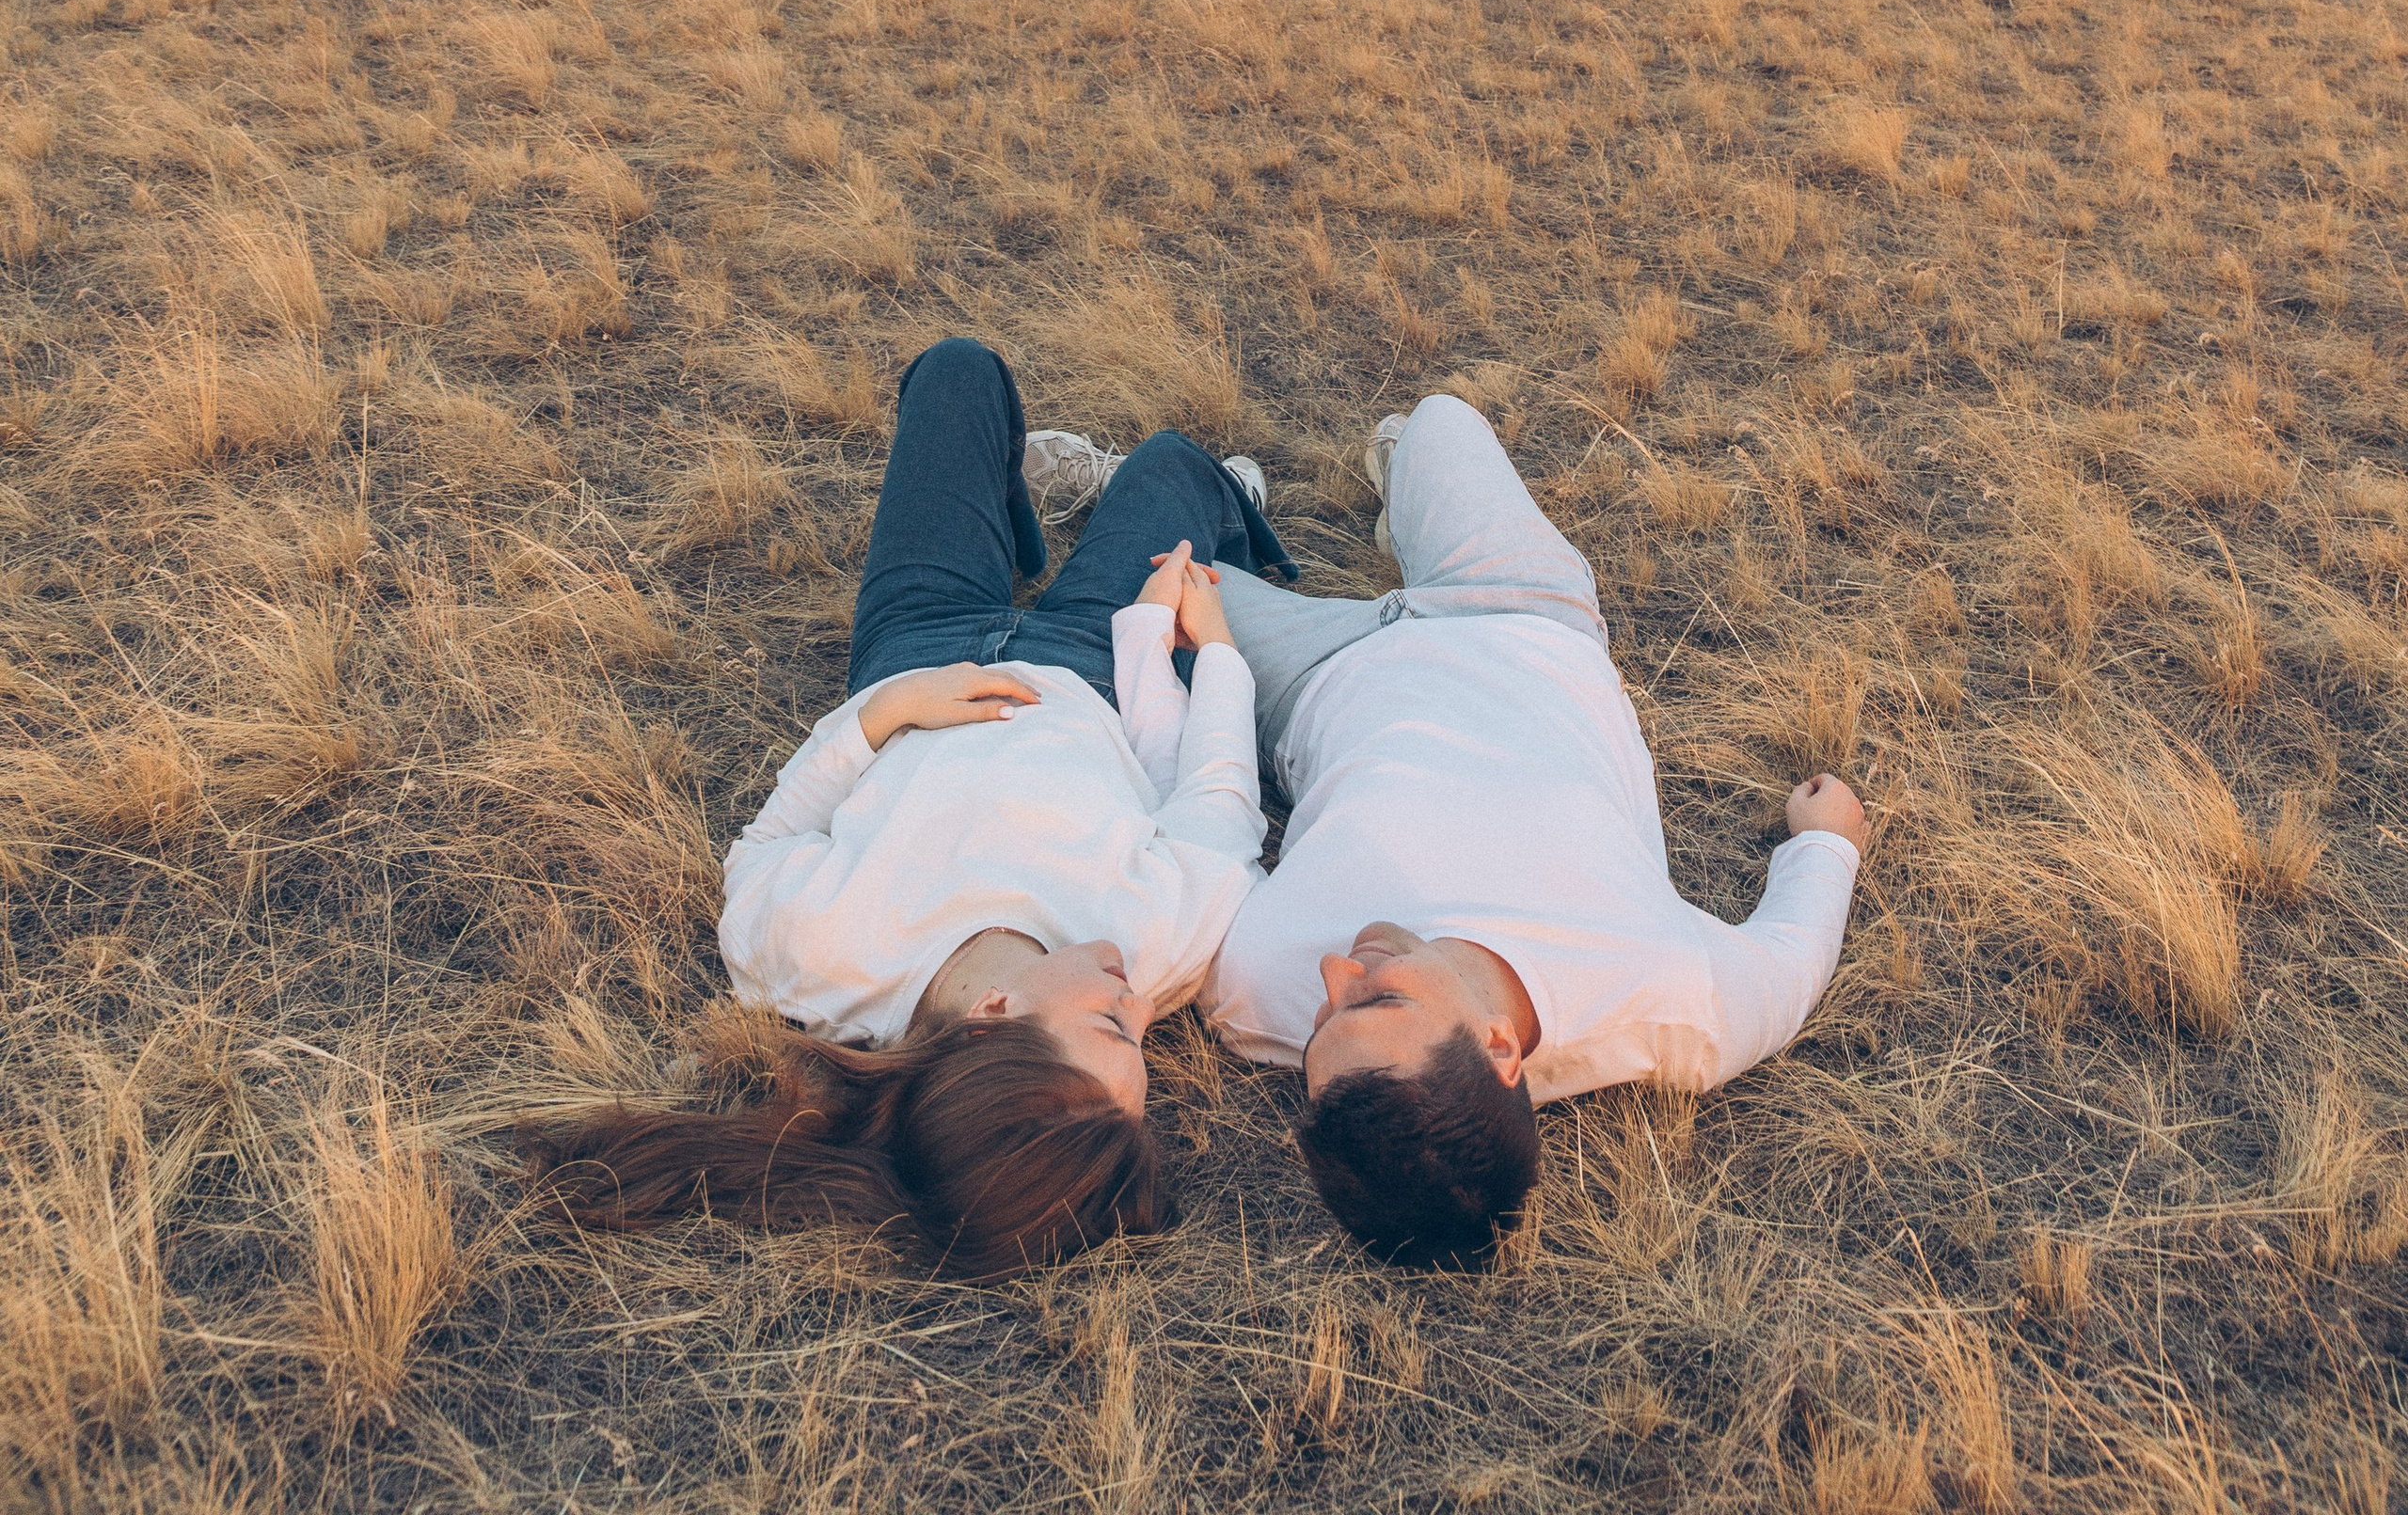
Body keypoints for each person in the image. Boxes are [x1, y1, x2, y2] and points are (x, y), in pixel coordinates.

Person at [528, 334, 1295, 1275]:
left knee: (957, 372)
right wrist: (1204, 641)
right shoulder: (1159, 945)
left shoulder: (819, 965)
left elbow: (769, 844)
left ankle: (1022, 524)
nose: (1140, 1007)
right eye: (1140, 1040)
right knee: (1177, 464)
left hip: (917, 649)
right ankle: (1218, 504)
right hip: (1099, 659)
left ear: (997, 1014)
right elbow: (1217, 796)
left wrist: (881, 717)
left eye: (1110, 1026)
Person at [1203, 393, 1866, 1267]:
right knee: (1439, 420)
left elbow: (1200, 837)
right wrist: (1827, 842)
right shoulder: (1673, 1005)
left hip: (1314, 675)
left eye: (1324, 1023)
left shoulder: (1255, 990)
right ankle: (1399, 494)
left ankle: (1254, 505)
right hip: (1521, 610)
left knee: (1173, 566)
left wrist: (1202, 645)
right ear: (1500, 1046)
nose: (1334, 974)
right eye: (1382, 995)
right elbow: (1792, 960)